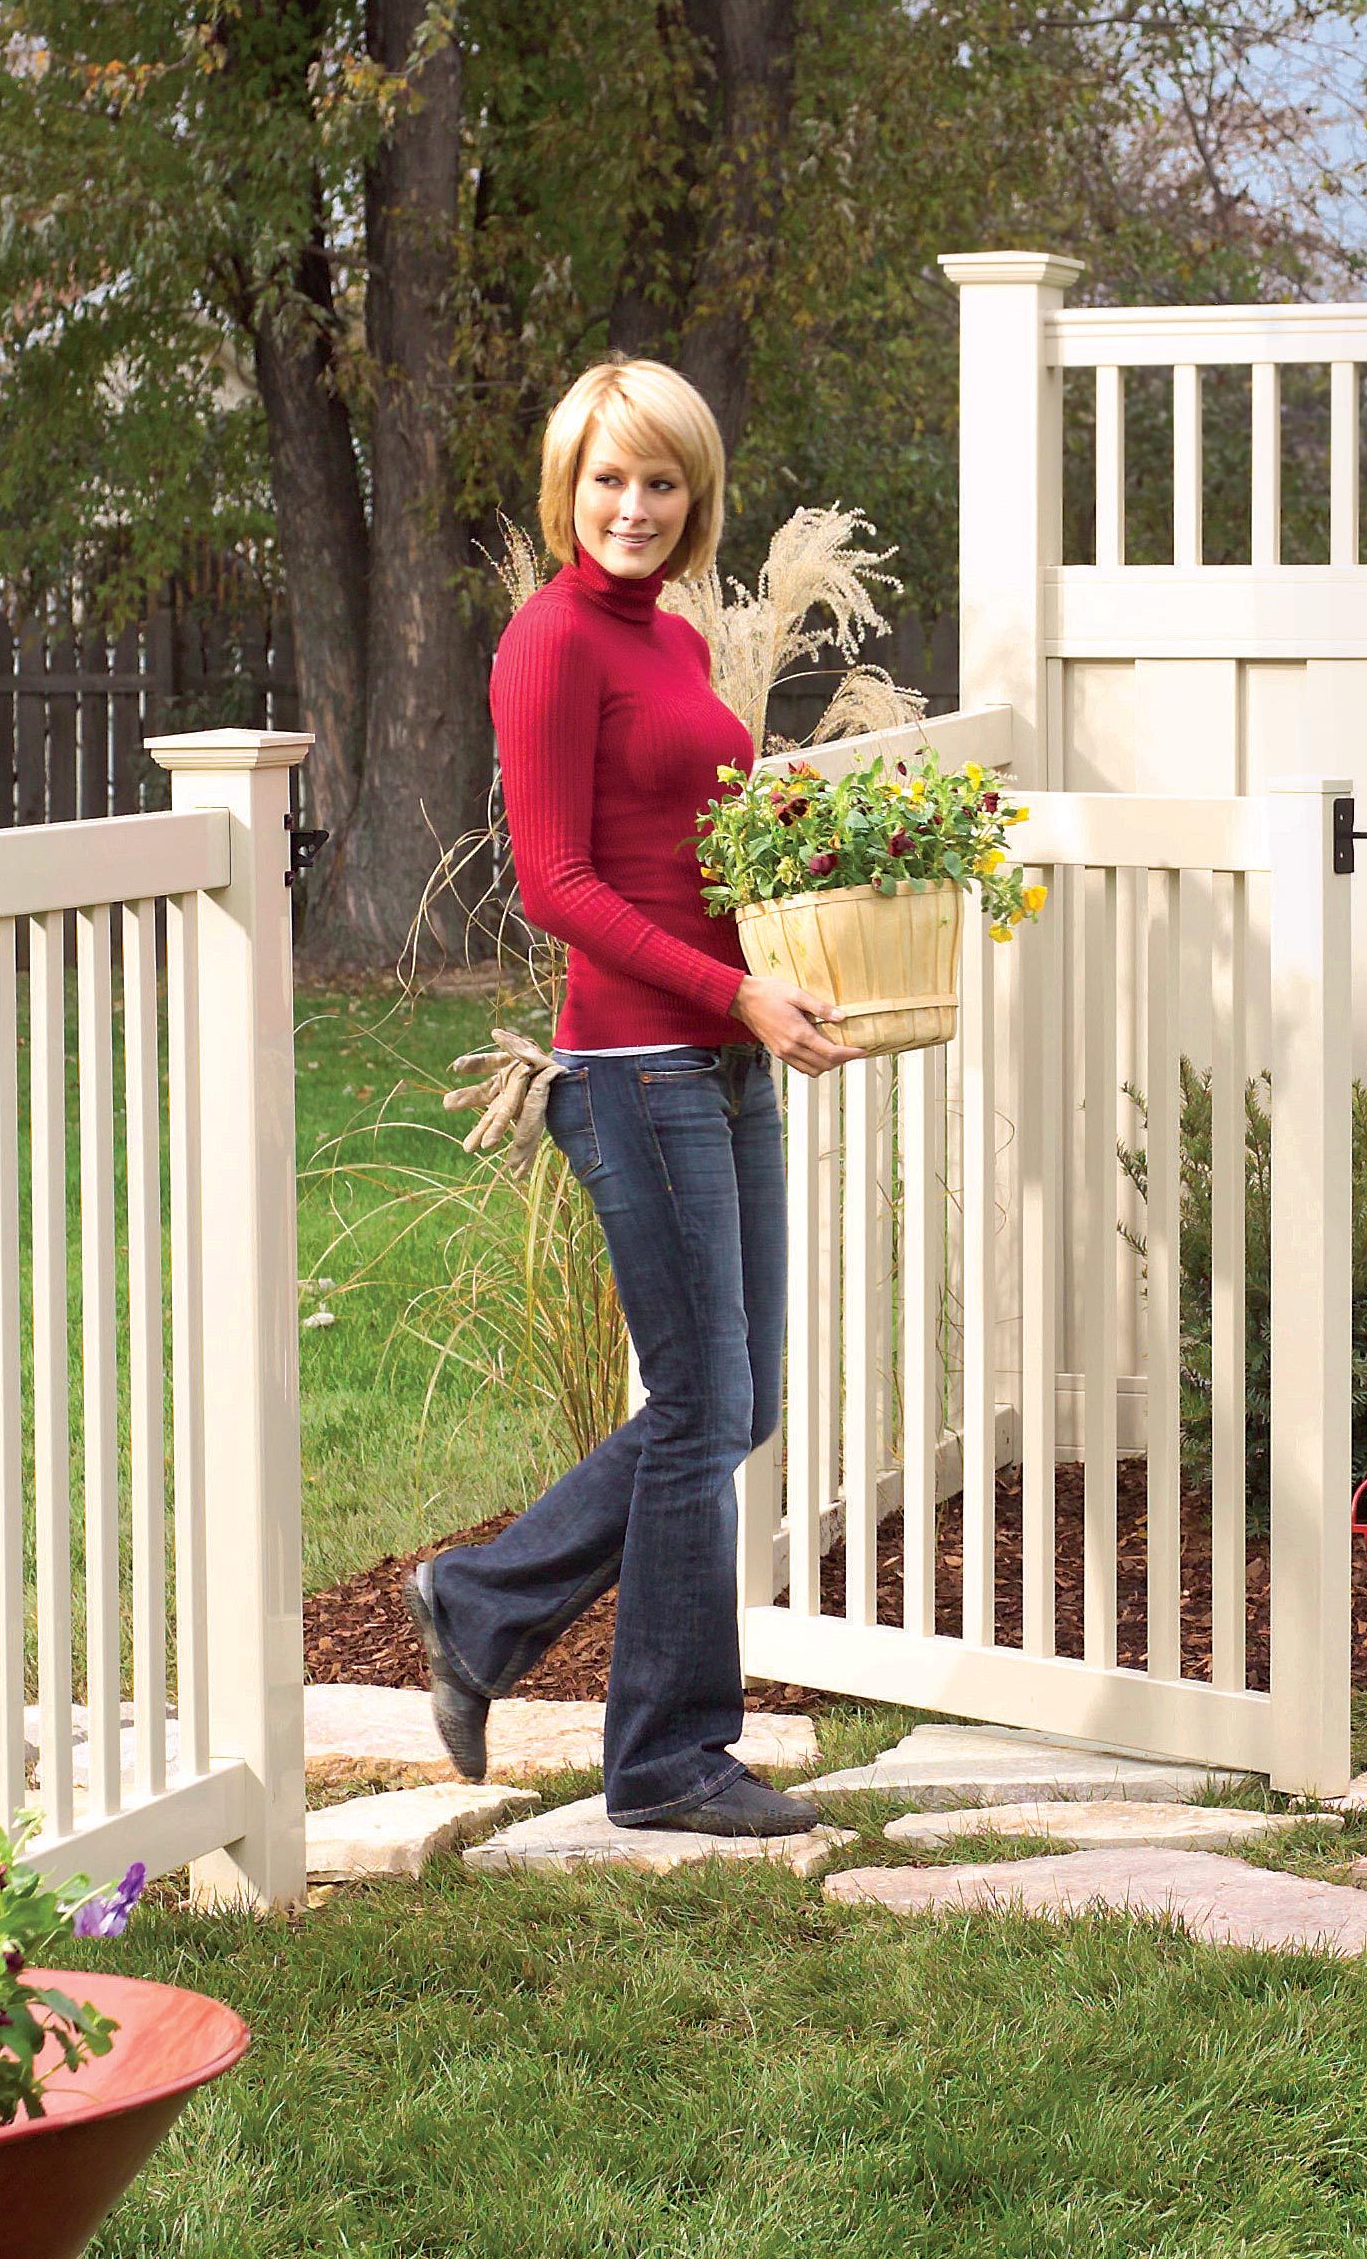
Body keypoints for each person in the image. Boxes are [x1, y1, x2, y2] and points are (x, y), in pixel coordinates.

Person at [403, 357, 863, 1836]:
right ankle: (665, 1756)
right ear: (567, 489)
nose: (635, 505)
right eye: (610, 477)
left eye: (662, 480)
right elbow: (558, 887)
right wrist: (731, 991)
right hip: (634, 1065)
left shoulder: (664, 636)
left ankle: (479, 1604)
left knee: (738, 1402)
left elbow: (688, 839)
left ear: (695, 496)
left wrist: (792, 910)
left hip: (726, 1055)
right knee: (702, 1404)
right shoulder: (549, 643)